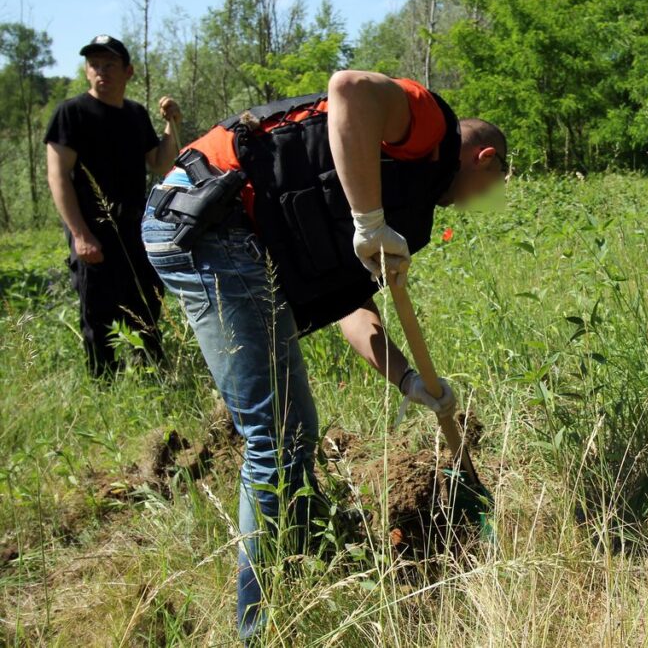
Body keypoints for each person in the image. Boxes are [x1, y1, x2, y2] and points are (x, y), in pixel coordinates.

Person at [141, 70, 507, 641]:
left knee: (291, 431)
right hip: (209, 220)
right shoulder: (428, 125)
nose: (470, 203)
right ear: (482, 159)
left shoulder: (396, 183)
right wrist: (369, 222)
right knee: (278, 436)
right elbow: (349, 88)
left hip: (237, 235)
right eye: (484, 188)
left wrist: (409, 380)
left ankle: (307, 564)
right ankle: (261, 629)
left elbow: (349, 306)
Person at [44, 35, 182, 377]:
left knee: (146, 306)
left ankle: (153, 377)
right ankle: (104, 385)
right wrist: (80, 234)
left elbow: (161, 163)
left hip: (135, 231)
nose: (100, 71)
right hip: (93, 232)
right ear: (87, 71)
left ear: (128, 71)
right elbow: (57, 176)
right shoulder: (71, 114)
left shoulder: (134, 114)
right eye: (94, 65)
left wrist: (172, 124)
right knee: (98, 316)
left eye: (109, 65)